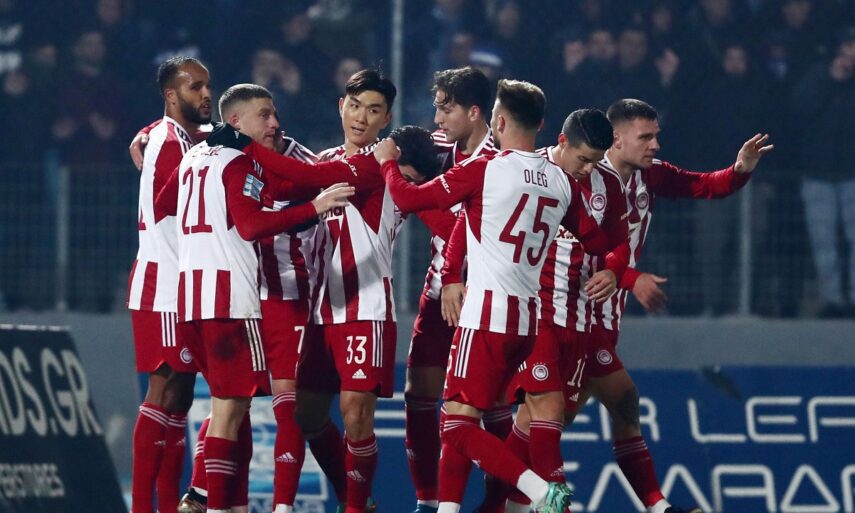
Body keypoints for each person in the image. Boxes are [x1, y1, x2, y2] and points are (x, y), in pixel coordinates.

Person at [375, 79, 618, 513]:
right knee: (477, 418)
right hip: (528, 321)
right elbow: (599, 242)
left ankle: (540, 492)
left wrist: (388, 163)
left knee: (455, 427)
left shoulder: (485, 170)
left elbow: (409, 198)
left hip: (486, 318)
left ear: (499, 122)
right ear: (541, 126)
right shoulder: (562, 183)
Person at [206, 70, 443, 513]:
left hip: (365, 307)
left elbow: (297, 173)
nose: (361, 117)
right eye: (355, 106)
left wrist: (246, 144)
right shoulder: (328, 161)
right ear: (341, 106)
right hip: (321, 311)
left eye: (373, 110)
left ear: (386, 119)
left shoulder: (377, 164)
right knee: (308, 415)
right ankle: (355, 499)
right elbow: (283, 184)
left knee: (355, 414)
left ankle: (355, 506)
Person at [567, 98, 772, 513]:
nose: (656, 145)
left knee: (567, 413)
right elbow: (574, 249)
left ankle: (511, 490)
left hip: (605, 315)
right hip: (571, 310)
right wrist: (631, 278)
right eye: (646, 137)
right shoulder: (585, 179)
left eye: (656, 136)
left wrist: (740, 168)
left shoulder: (650, 175)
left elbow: (705, 185)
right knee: (594, 407)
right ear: (616, 138)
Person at [159, 83, 355, 513]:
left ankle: (219, 500)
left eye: (275, 114)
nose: (275, 122)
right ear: (235, 122)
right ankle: (217, 501)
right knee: (234, 407)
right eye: (264, 115)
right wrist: (315, 207)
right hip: (235, 298)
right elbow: (251, 225)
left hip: (198, 299)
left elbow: (163, 202)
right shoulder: (239, 161)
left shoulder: (195, 155)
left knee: (235, 405)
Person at [404, 66, 498, 513]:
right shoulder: (438, 148)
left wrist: (415, 192)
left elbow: (468, 231)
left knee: (488, 406)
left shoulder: (497, 160)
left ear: (474, 112)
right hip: (440, 289)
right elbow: (396, 154)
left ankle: (501, 501)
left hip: (485, 297)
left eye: (447, 108)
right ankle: (427, 501)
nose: (437, 117)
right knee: (419, 393)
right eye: (437, 107)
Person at [126, 56, 211, 513]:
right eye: (196, 87)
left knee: (179, 399)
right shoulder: (169, 141)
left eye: (208, 85)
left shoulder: (179, 137)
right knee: (162, 392)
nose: (206, 94)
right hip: (164, 284)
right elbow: (170, 203)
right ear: (172, 95)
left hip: (183, 285)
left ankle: (166, 504)